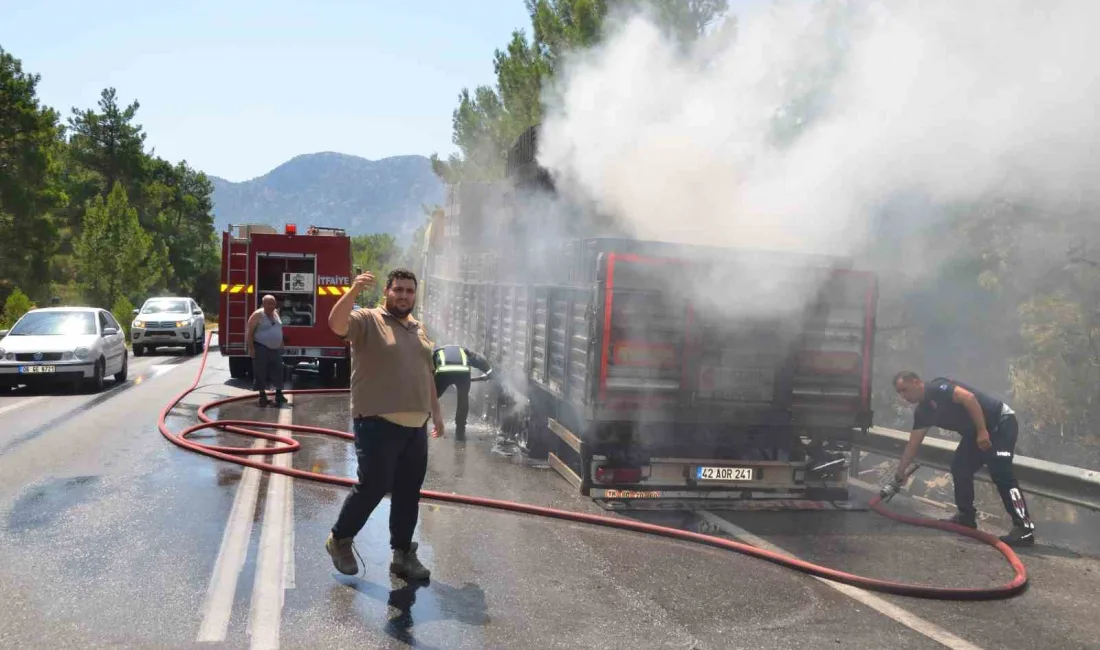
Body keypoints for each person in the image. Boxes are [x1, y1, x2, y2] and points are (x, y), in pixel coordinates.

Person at [324, 268, 444, 580]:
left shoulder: (419, 328)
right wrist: (351, 292)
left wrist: (437, 413)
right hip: (377, 421)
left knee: (408, 492)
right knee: (374, 486)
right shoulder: (367, 319)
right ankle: (340, 539)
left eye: (409, 291)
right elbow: (336, 324)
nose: (404, 296)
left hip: (416, 426)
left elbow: (426, 373)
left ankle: (402, 554)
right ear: (387, 292)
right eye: (398, 290)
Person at [890, 371, 1035, 547]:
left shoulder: (937, 387)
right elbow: (913, 445)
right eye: (900, 393)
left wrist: (982, 431)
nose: (904, 396)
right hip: (974, 433)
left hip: (1000, 423)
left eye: (905, 390)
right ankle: (966, 518)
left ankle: (1024, 529)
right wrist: (900, 473)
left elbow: (969, 399)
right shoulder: (923, 412)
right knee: (960, 468)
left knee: (1001, 474)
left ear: (916, 382)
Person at [432, 344, 493, 441]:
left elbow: (429, 368)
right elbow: (479, 360)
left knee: (432, 397)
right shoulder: (464, 351)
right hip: (463, 373)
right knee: (463, 399)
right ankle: (460, 428)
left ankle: (422, 418)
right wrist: (489, 372)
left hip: (443, 373)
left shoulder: (436, 352)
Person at [246, 294, 286, 407]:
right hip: (261, 347)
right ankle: (262, 396)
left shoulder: (276, 313)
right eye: (268, 303)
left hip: (275, 348)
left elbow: (279, 329)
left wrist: (281, 343)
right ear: (263, 304)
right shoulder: (258, 315)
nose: (271, 306)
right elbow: (249, 333)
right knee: (260, 371)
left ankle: (279, 394)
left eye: (273, 303)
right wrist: (251, 348)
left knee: (279, 370)